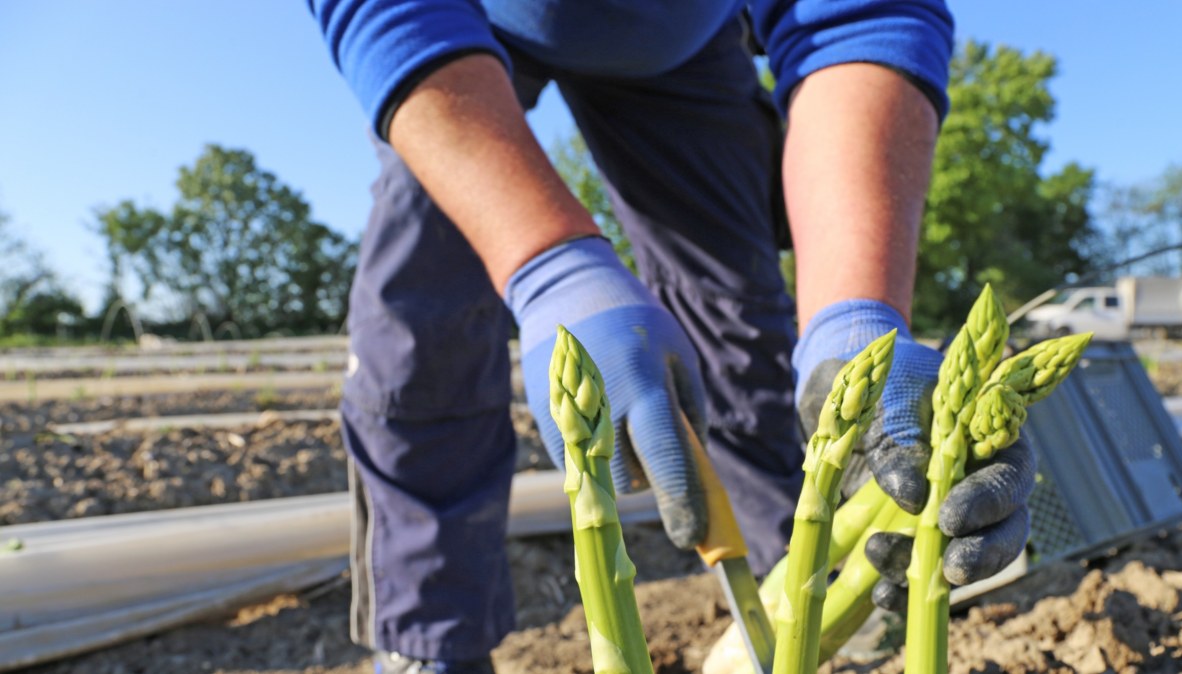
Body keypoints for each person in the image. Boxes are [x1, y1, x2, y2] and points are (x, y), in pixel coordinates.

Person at [308, 1, 1038, 672]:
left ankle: (796, 595)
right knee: (421, 319)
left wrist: (856, 316)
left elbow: (860, 16)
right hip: (456, 27)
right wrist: (549, 264)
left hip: (683, 43)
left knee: (738, 328)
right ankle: (430, 638)